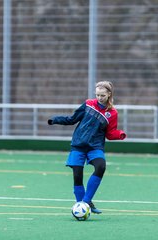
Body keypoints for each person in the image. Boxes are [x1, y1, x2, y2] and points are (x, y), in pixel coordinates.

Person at [47, 81, 126, 214]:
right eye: (97, 95)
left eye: (102, 95)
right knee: (77, 176)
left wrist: (120, 134)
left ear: (109, 94)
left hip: (95, 146)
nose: (99, 98)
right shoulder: (89, 104)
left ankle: (86, 201)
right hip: (78, 145)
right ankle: (81, 205)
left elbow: (110, 133)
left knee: (101, 166)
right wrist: (55, 120)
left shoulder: (112, 113)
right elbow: (72, 119)